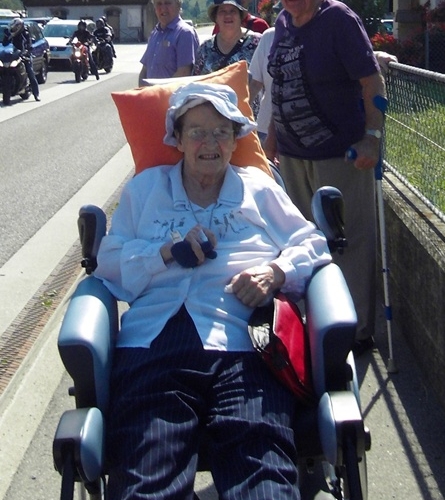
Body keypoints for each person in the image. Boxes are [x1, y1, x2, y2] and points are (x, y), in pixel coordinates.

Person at [94, 81, 332, 499]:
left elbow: (311, 243)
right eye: (197, 131)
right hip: (154, 345)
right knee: (146, 477)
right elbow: (107, 261)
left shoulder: (258, 189)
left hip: (245, 344)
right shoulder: (146, 190)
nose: (210, 142)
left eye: (221, 132)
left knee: (263, 476)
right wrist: (163, 253)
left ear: (235, 139)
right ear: (178, 139)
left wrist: (275, 273)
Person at [263, 0, 387, 356]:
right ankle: (315, 321)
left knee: (348, 242)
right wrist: (272, 138)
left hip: (339, 155)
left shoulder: (338, 20)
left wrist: (372, 138)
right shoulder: (284, 21)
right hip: (292, 156)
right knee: (302, 243)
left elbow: (371, 80)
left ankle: (356, 331)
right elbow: (281, 86)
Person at [138, 0, 199, 85]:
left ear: (178, 6)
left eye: (167, 3)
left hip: (170, 96)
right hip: (151, 95)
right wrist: (141, 93)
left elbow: (184, 73)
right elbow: (145, 69)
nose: (163, 8)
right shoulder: (155, 33)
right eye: (159, 4)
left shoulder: (184, 33)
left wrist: (157, 93)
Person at [2, 18, 40, 101]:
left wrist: (28, 49)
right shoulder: (11, 33)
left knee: (30, 73)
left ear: (20, 27)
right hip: (14, 54)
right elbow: (5, 44)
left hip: (24, 54)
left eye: (16, 27)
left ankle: (36, 94)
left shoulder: (25, 33)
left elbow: (29, 43)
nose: (14, 29)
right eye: (13, 27)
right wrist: (7, 36)